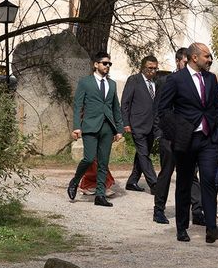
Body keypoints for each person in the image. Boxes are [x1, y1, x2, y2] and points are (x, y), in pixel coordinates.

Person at [157, 42, 218, 243]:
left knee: (209, 182)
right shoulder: (176, 79)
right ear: (194, 57)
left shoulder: (211, 79)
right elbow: (163, 110)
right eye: (207, 56)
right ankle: (181, 228)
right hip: (185, 140)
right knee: (185, 183)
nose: (210, 60)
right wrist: (177, 132)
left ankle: (211, 228)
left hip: (208, 140)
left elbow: (217, 107)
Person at [152, 48, 203, 224]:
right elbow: (159, 109)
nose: (187, 65)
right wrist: (161, 133)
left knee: (193, 174)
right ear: (178, 61)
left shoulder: (196, 81)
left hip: (190, 136)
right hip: (169, 136)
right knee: (166, 173)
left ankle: (197, 211)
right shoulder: (167, 80)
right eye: (184, 62)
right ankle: (159, 209)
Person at [67, 51, 123, 208]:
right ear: (96, 64)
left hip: (107, 127)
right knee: (89, 158)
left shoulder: (111, 84)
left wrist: (119, 129)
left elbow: (116, 107)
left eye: (109, 64)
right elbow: (78, 105)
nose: (107, 66)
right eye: (105, 63)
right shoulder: (85, 82)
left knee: (103, 162)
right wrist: (77, 127)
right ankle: (75, 181)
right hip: (90, 126)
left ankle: (100, 195)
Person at [121, 55, 159, 193]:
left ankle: (132, 181)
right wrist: (125, 122)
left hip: (152, 125)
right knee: (144, 154)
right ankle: (154, 184)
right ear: (143, 68)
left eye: (155, 68)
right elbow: (125, 103)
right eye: (150, 68)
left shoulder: (156, 83)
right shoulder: (134, 80)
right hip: (137, 124)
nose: (152, 71)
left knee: (142, 154)